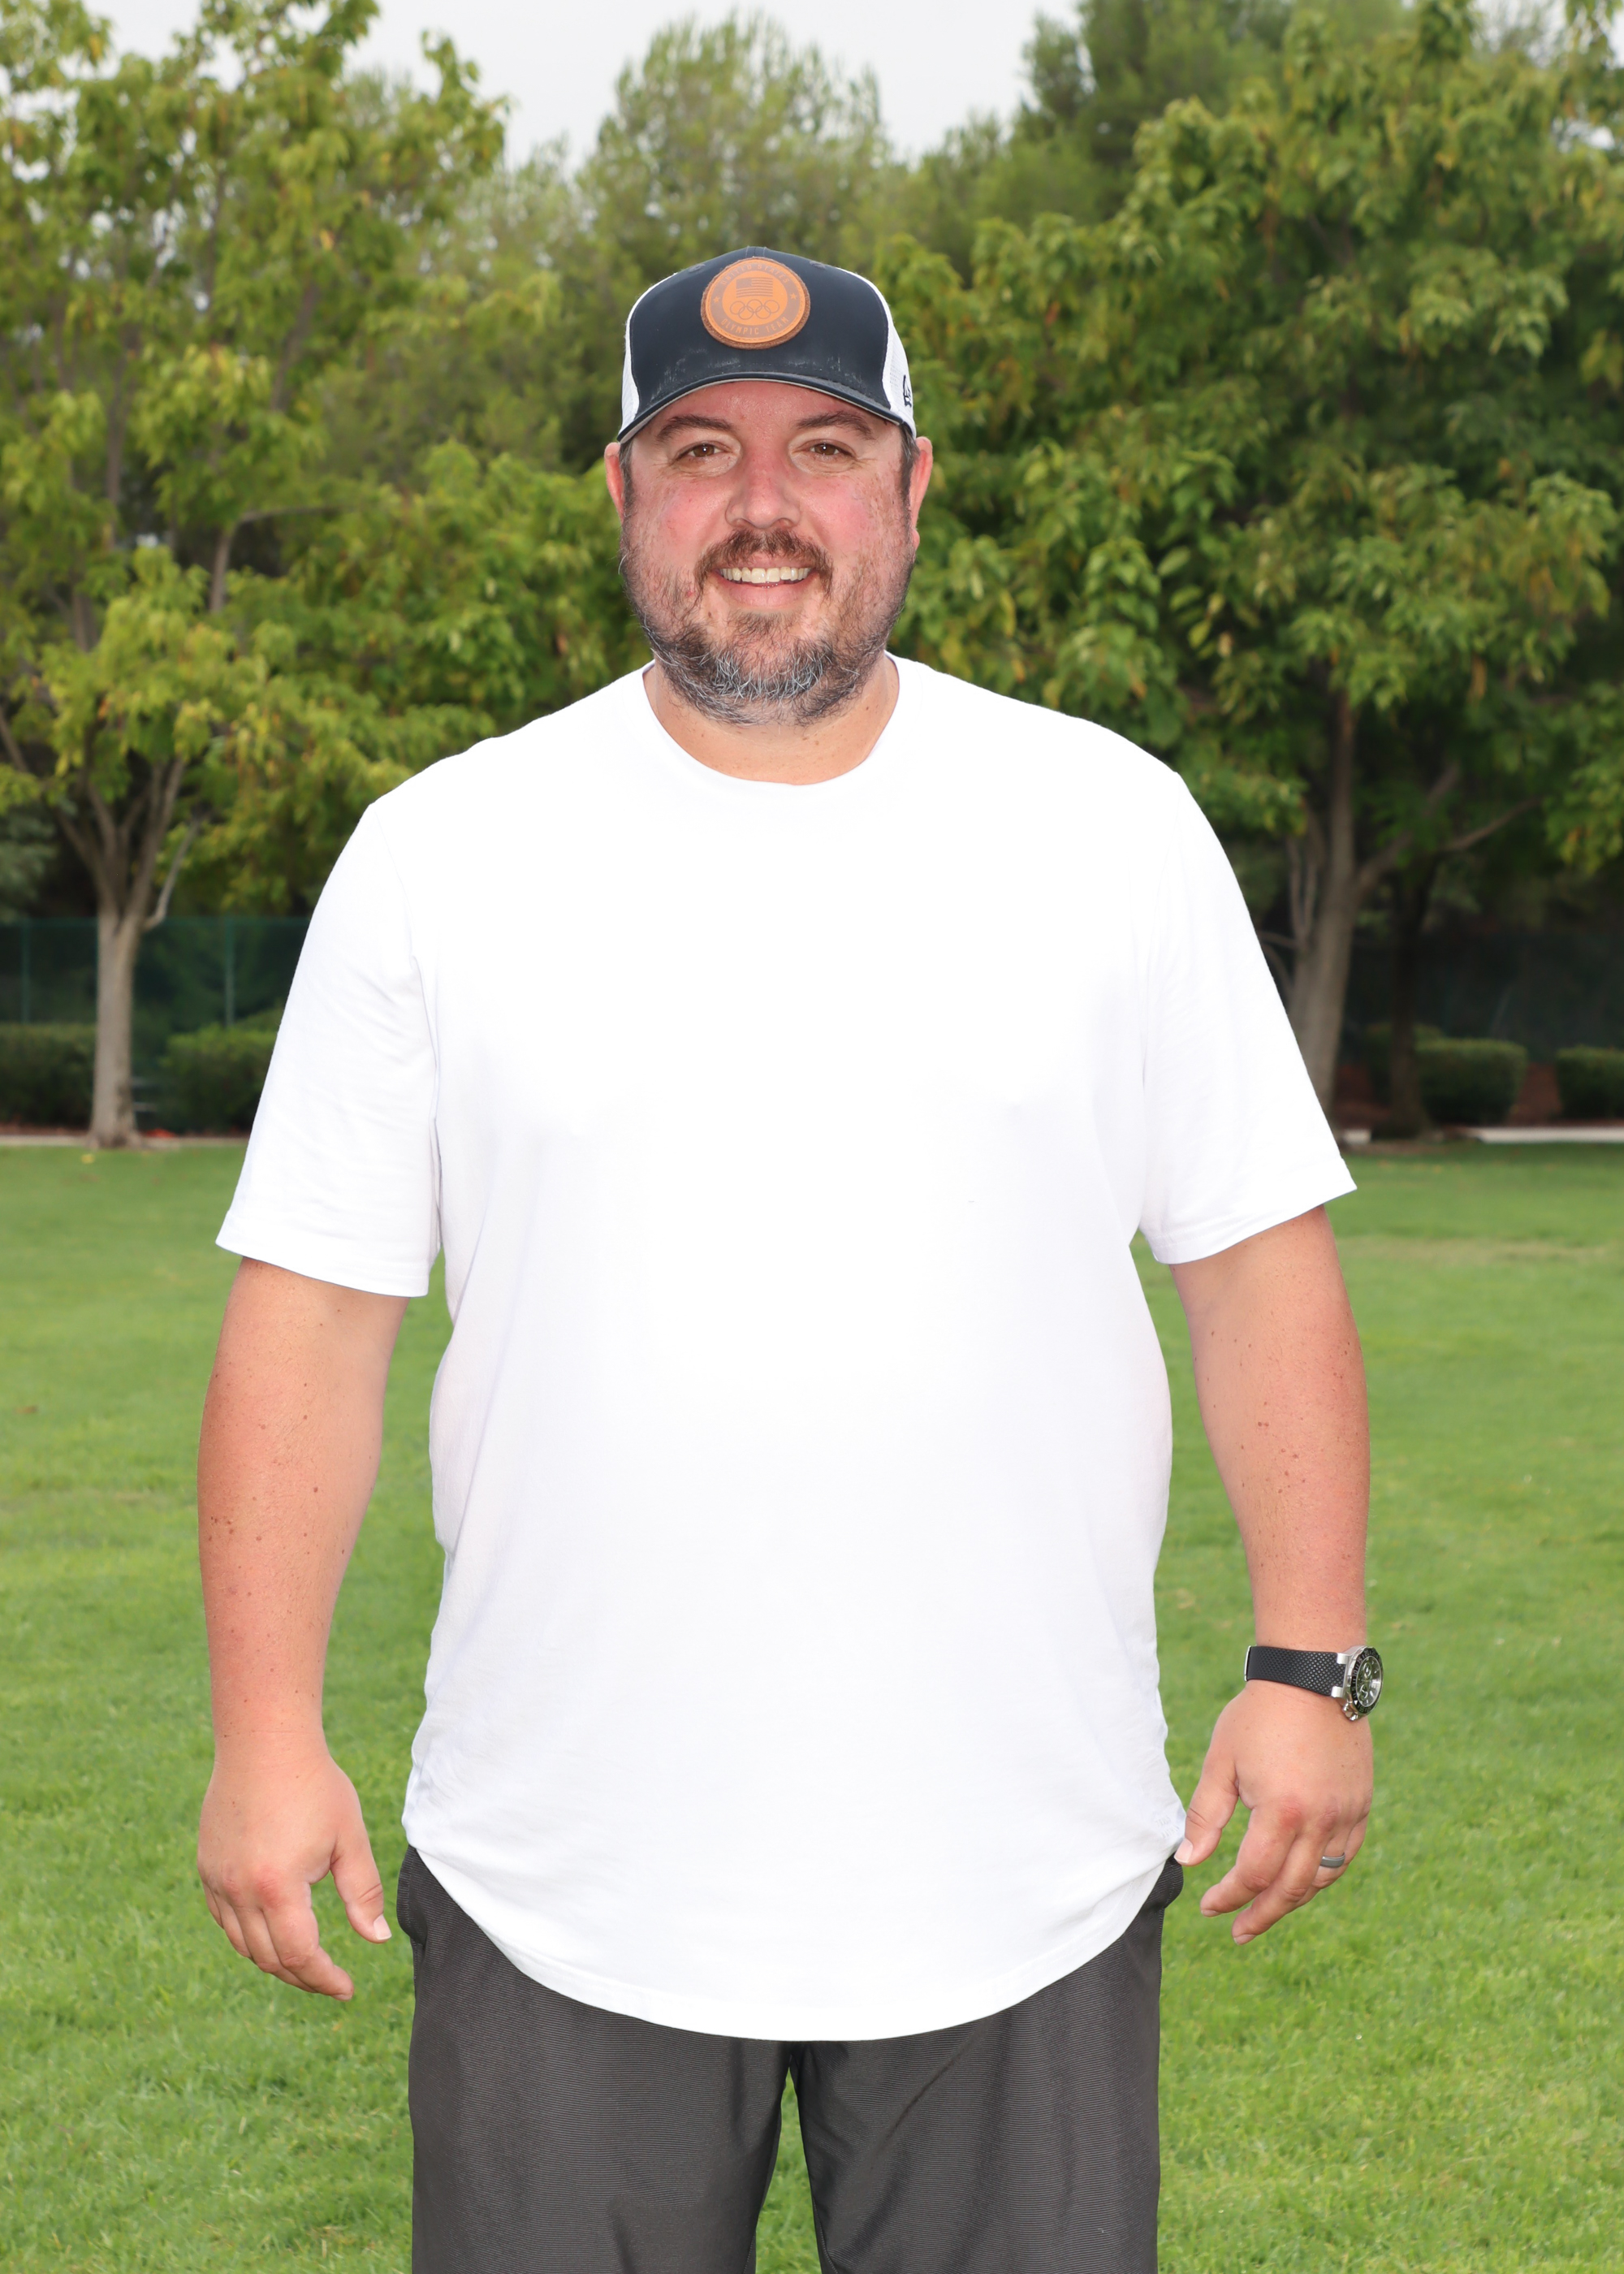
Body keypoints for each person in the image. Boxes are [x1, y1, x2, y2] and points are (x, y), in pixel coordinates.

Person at [197, 248, 1380, 2274]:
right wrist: (261, 1730)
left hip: (1016, 1869)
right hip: (566, 1871)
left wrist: (1310, 1664)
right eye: (701, 451)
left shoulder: (1108, 828)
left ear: (911, 487)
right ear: (621, 492)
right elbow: (307, 1323)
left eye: (825, 449)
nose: (763, 505)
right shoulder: (444, 853)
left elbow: (1260, 1269)